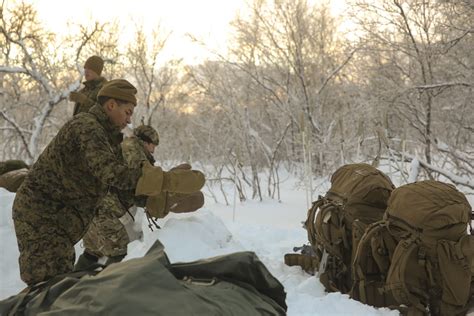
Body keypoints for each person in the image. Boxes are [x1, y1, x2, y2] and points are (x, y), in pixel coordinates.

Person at [12, 79, 205, 286]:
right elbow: (111, 172)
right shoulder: (86, 126)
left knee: (56, 284)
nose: (129, 120)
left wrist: (149, 199)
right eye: (128, 112)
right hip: (43, 216)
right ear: (111, 105)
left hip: (59, 221)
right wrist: (166, 181)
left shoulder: (104, 136)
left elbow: (111, 185)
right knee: (47, 289)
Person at [75, 125, 204, 269]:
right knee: (120, 254)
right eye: (153, 145)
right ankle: (111, 287)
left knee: (92, 252)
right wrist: (165, 191)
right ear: (145, 142)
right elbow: (141, 181)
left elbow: (131, 183)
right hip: (105, 212)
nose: (153, 150)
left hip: (91, 209)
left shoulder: (125, 148)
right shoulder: (133, 150)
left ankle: (67, 285)